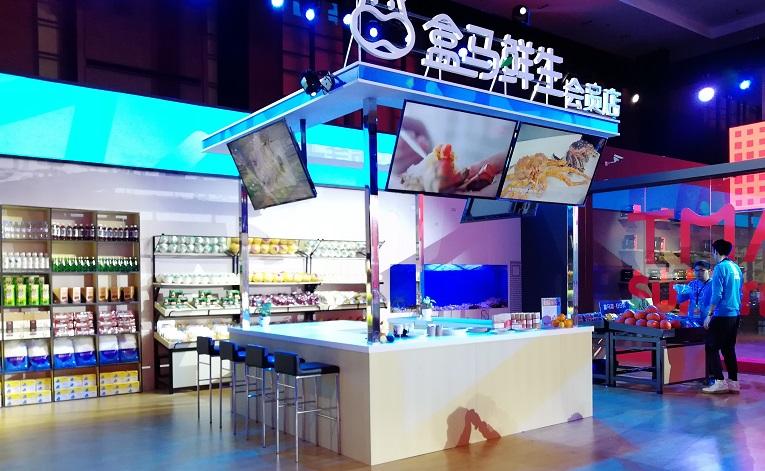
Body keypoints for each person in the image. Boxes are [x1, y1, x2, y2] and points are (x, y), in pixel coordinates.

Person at [702, 239, 743, 394]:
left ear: (715, 251)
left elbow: (717, 294)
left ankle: (719, 381)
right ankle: (733, 382)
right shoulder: (736, 267)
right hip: (734, 314)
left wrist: (709, 314)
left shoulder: (720, 268)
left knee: (711, 347)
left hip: (722, 314)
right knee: (728, 348)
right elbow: (739, 291)